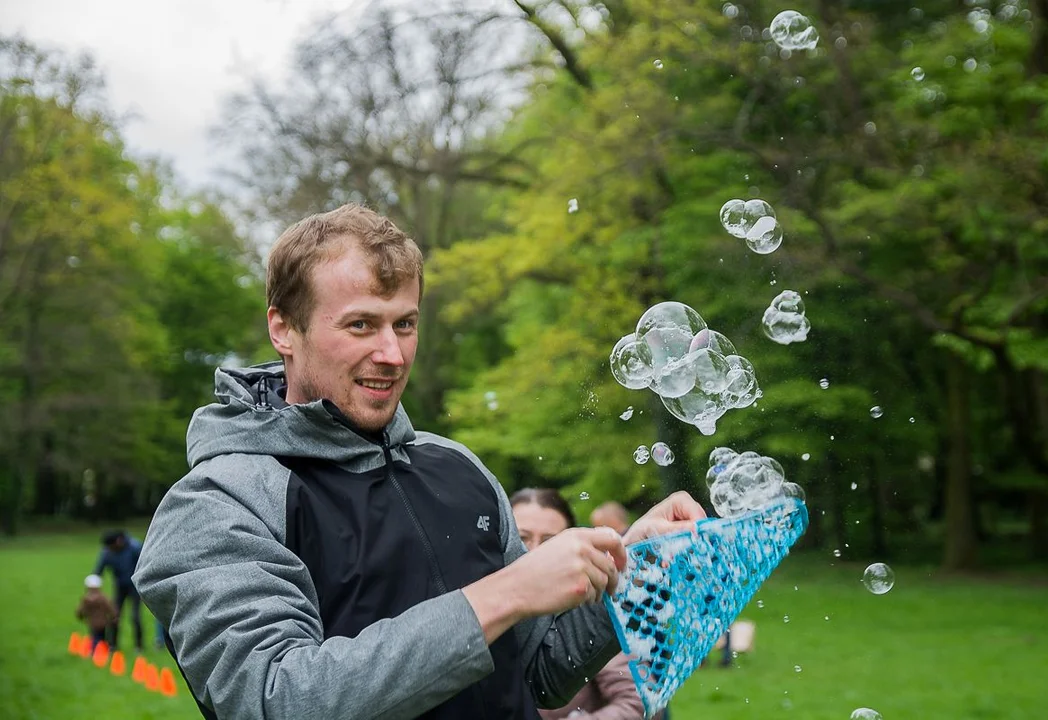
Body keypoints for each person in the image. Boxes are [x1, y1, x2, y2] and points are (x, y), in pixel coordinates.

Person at [133, 203, 705, 719]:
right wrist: (505, 594)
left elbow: (539, 675)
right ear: (283, 327)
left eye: (404, 323)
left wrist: (636, 563)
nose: (392, 354)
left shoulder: (457, 467)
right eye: (361, 324)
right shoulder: (218, 502)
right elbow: (275, 699)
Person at [510, 488, 645, 720]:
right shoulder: (489, 612)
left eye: (549, 542)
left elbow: (637, 701)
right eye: (521, 539)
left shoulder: (591, 612)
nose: (533, 552)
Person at [94, 529, 143, 652]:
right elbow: (98, 571)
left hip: (135, 587)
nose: (110, 549)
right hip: (120, 587)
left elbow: (144, 566)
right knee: (114, 615)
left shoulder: (135, 547)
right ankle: (113, 645)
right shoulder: (107, 552)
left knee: (135, 616)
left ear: (118, 541)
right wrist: (93, 587)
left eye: (111, 546)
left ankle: (139, 646)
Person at [76, 573, 116, 651]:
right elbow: (110, 608)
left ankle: (94, 651)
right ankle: (104, 651)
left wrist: (80, 616)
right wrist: (114, 617)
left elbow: (80, 610)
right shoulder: (103, 598)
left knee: (94, 637)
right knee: (103, 637)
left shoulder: (86, 599)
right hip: (103, 622)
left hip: (92, 623)